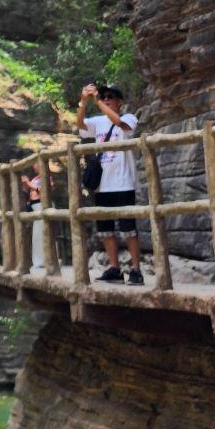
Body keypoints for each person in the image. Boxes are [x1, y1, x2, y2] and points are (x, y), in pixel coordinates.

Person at [79, 82, 144, 286]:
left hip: (123, 182)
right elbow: (80, 125)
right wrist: (83, 101)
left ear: (119, 102)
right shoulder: (97, 121)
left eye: (110, 97)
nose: (106, 99)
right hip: (102, 184)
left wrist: (97, 102)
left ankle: (136, 269)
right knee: (105, 229)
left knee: (128, 229)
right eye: (104, 97)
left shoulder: (128, 118)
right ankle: (114, 268)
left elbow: (118, 123)